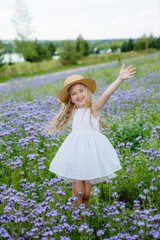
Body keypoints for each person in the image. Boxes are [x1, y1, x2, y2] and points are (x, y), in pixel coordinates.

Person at [47, 64, 136, 209]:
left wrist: (120, 79)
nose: (78, 95)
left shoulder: (93, 108)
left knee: (87, 194)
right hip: (75, 155)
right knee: (79, 192)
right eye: (74, 93)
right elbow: (66, 102)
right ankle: (77, 217)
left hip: (91, 156)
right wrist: (64, 100)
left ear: (87, 92)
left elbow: (107, 93)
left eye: (81, 91)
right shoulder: (73, 111)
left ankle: (85, 219)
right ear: (70, 99)